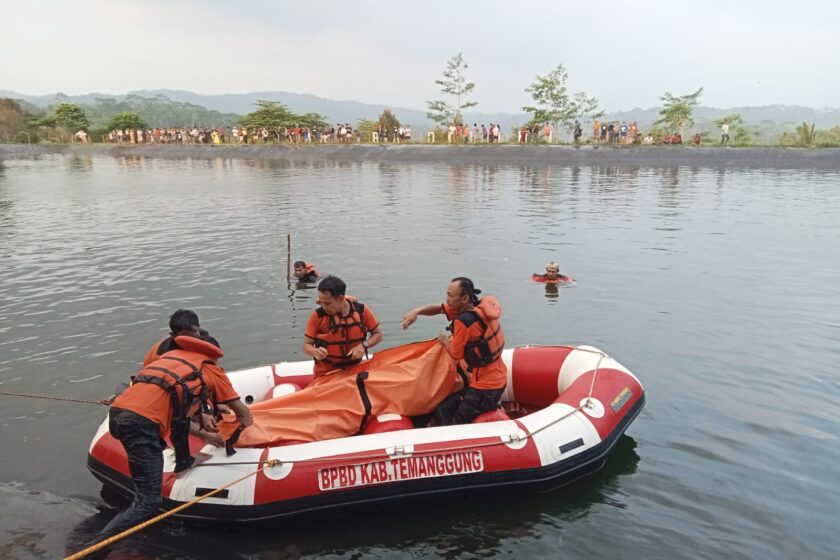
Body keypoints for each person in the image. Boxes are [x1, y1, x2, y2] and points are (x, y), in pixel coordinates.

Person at [86, 323, 252, 556]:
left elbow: (176, 417)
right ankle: (91, 552)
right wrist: (244, 428)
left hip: (119, 417)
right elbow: (244, 414)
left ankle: (183, 463)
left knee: (164, 439)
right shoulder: (211, 370)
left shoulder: (171, 359)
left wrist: (204, 431)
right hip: (140, 426)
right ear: (212, 356)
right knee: (148, 501)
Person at [400, 277, 506, 426]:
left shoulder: (464, 321)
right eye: (447, 294)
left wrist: (444, 340)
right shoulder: (477, 309)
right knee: (443, 407)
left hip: (485, 389)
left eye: (450, 295)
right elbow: (439, 308)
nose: (447, 299)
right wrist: (416, 311)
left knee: (453, 421)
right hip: (495, 378)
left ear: (464, 298)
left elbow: (456, 354)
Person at [303, 276, 383, 377]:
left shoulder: (362, 311)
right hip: (327, 373)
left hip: (355, 369)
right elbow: (306, 346)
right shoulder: (318, 316)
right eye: (321, 302)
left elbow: (378, 335)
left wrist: (363, 346)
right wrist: (315, 351)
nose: (323, 307)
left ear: (341, 298)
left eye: (327, 303)